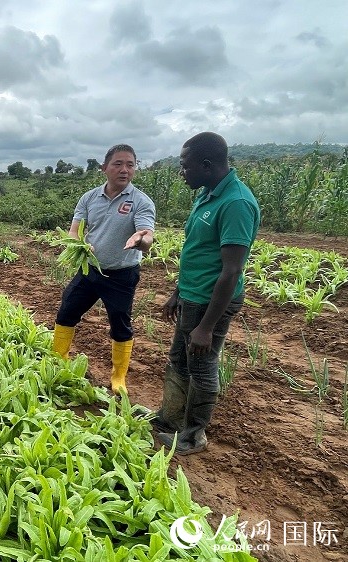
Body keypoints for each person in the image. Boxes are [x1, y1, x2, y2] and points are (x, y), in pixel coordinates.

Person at [154, 132, 260, 455]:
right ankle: (169, 421)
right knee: (179, 360)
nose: (181, 173)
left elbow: (230, 272)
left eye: (185, 167)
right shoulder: (207, 194)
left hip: (211, 303)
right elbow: (197, 251)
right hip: (192, 296)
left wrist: (207, 326)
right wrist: (178, 293)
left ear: (206, 164)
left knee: (201, 365)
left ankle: (193, 435)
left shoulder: (236, 203)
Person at [52, 144, 155, 396]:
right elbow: (74, 230)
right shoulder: (89, 198)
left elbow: (147, 234)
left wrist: (141, 239)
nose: (125, 169)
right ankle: (58, 360)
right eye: (118, 164)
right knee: (66, 312)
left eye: (130, 164)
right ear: (104, 168)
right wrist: (79, 243)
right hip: (90, 270)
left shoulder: (141, 201)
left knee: (120, 323)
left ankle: (118, 377)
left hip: (122, 275)